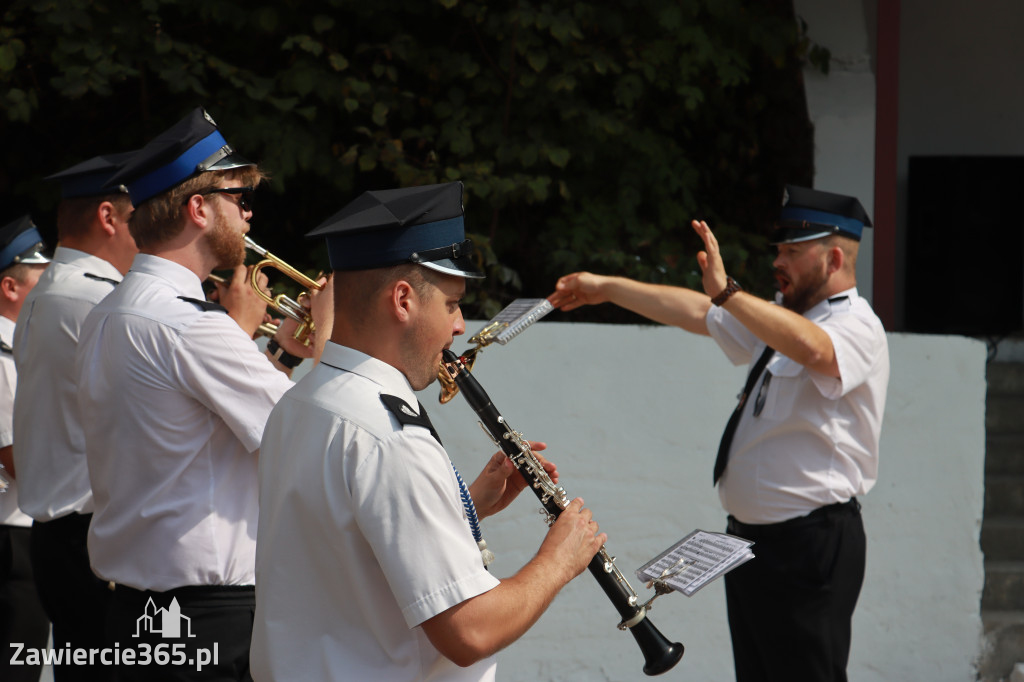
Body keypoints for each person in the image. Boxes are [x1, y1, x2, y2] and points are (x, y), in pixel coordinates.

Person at [250, 181, 606, 682]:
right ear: (402, 300)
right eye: (452, 304)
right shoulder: (389, 435)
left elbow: (348, 549)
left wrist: (467, 505)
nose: (460, 326)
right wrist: (558, 560)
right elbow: (469, 632)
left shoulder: (300, 402)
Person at [549, 185, 890, 682]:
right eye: (779, 251)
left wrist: (729, 292)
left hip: (810, 545)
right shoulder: (783, 319)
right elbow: (697, 312)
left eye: (793, 252)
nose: (780, 261)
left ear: (834, 257)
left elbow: (817, 351)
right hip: (754, 545)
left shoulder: (857, 325)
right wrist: (607, 288)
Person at [73, 107, 328, 681]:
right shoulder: (193, 326)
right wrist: (337, 340)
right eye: (239, 198)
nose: (249, 213)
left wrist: (284, 356)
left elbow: (205, 428)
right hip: (208, 621)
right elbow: (310, 443)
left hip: (134, 612)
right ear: (198, 209)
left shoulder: (109, 313)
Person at [12, 152, 137, 682]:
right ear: (109, 218)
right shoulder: (94, 300)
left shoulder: (49, 295)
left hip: (61, 537)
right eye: (144, 217)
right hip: (90, 542)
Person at [0, 215, 51, 682]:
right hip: (12, 534)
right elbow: (17, 461)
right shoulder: (2, 356)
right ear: (11, 289)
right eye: (42, 275)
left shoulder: (17, 348)